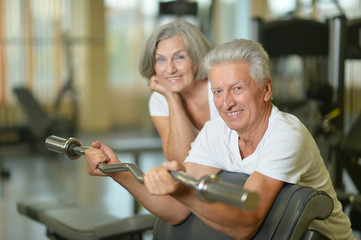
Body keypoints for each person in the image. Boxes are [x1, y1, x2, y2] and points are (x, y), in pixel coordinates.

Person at [85, 38, 355, 239]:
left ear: (266, 89)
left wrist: (184, 191)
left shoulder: (286, 136)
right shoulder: (216, 132)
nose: (226, 103)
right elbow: (175, 209)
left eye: (237, 88)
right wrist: (117, 171)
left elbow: (246, 224)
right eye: (217, 91)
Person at [138, 20, 218, 162]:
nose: (170, 69)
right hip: (198, 179)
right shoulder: (160, 99)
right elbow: (181, 160)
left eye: (179, 57)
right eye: (161, 59)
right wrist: (172, 97)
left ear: (197, 57)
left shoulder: (221, 87)